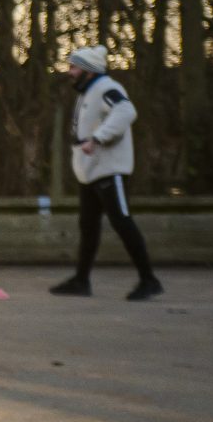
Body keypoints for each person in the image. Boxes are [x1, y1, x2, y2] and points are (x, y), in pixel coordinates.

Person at [51, 45, 163, 301]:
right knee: (88, 226)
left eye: (74, 67)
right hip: (91, 173)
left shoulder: (106, 88)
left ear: (88, 71)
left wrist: (98, 138)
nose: (70, 72)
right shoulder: (88, 92)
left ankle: (149, 279)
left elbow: (126, 110)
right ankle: (81, 280)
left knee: (122, 222)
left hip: (110, 171)